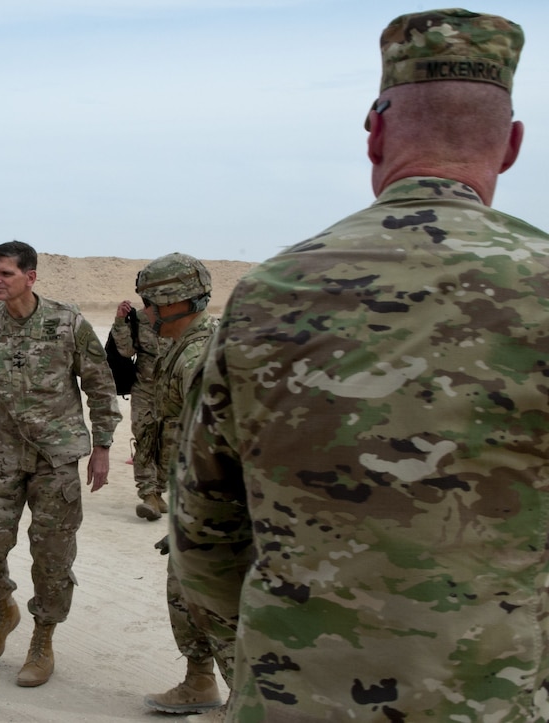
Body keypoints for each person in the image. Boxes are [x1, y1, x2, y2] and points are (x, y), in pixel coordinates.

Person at [174, 9, 549, 720]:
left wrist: (275, 650)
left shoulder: (268, 293)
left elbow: (204, 532)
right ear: (513, 147)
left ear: (374, 130)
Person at [0, 240, 121, 688]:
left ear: (30, 277)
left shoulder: (66, 321)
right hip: (2, 453)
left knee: (51, 555)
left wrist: (104, 446)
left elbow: (100, 385)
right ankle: (3, 608)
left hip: (56, 456)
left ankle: (42, 640)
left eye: (5, 274)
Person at [130, 254, 224, 715]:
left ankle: (241, 698)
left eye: (152, 303)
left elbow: (216, 442)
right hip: (199, 499)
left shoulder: (198, 356)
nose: (147, 313)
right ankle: (200, 682)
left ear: (176, 302)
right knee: (186, 594)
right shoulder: (194, 344)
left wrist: (201, 515)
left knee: (213, 604)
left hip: (212, 505)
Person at [108, 297, 171, 520]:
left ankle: (159, 491)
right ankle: (148, 496)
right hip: (144, 389)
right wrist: (120, 320)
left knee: (168, 444)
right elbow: (125, 350)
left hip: (172, 391)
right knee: (145, 439)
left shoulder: (178, 317)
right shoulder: (137, 319)